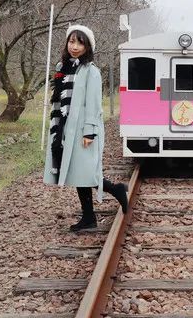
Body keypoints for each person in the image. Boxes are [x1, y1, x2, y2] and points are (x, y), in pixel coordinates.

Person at [44, 24, 127, 232]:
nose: (75, 46)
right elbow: (57, 101)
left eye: (80, 43)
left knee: (85, 171)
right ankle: (91, 215)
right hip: (64, 129)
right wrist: (55, 128)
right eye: (72, 41)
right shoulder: (60, 68)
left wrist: (89, 130)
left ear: (88, 46)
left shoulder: (91, 71)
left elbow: (94, 104)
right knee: (77, 173)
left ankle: (114, 191)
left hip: (82, 129)